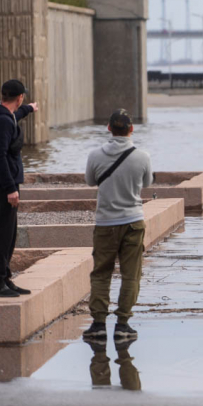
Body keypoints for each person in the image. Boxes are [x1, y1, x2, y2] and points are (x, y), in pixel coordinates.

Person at [82, 109, 153, 341]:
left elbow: (90, 181)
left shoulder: (95, 155)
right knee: (131, 274)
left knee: (101, 273)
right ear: (131, 129)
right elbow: (147, 183)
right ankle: (123, 325)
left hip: (105, 222)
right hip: (133, 221)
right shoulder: (142, 156)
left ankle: (98, 325)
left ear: (109, 128)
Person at [0, 79, 38, 297]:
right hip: (3, 185)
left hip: (3, 183)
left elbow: (15, 114)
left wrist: (29, 109)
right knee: (3, 233)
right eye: (23, 99)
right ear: (19, 97)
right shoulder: (2, 121)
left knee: (10, 233)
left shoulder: (3, 115)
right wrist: (10, 188)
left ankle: (4, 278)